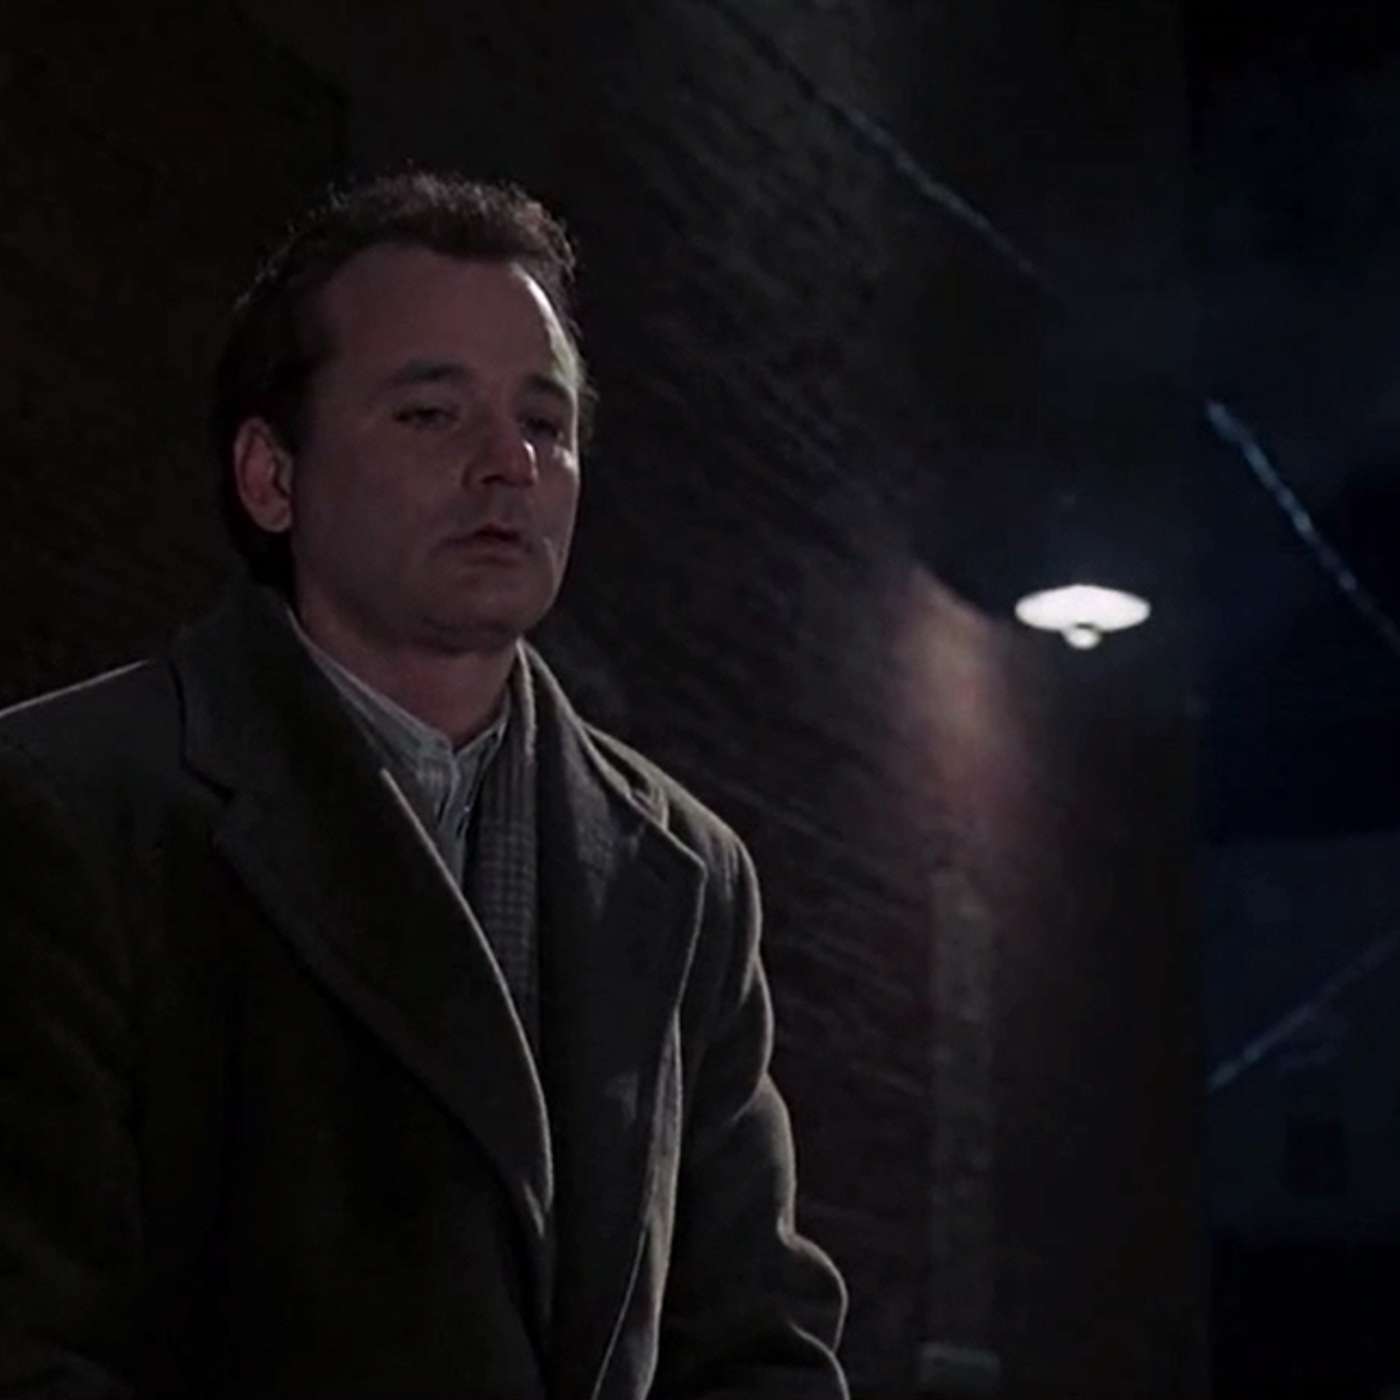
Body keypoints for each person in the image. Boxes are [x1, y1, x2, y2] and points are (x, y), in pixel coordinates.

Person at [0, 172, 848, 1398]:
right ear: (271, 476)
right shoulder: (67, 809)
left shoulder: (686, 874)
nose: (509, 463)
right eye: (430, 414)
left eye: (544, 420)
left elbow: (755, 1344)